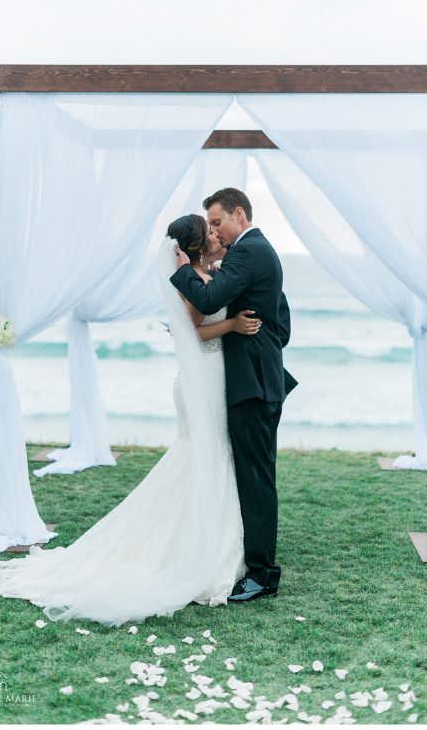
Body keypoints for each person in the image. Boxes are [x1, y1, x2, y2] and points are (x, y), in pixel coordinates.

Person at [0, 214, 259, 626]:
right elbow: (189, 332)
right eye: (210, 230)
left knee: (211, 452)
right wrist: (232, 324)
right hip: (203, 377)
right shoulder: (193, 281)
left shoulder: (208, 274)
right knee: (205, 451)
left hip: (211, 377)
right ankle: (195, 549)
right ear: (197, 244)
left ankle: (211, 539)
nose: (216, 233)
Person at [171, 188, 297, 603]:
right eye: (209, 226)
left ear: (238, 214)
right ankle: (253, 562)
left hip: (252, 384)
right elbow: (283, 325)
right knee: (254, 474)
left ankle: (262, 575)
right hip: (258, 379)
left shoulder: (248, 252)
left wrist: (183, 269)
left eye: (218, 222)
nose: (215, 231)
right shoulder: (256, 252)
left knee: (256, 479)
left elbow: (207, 298)